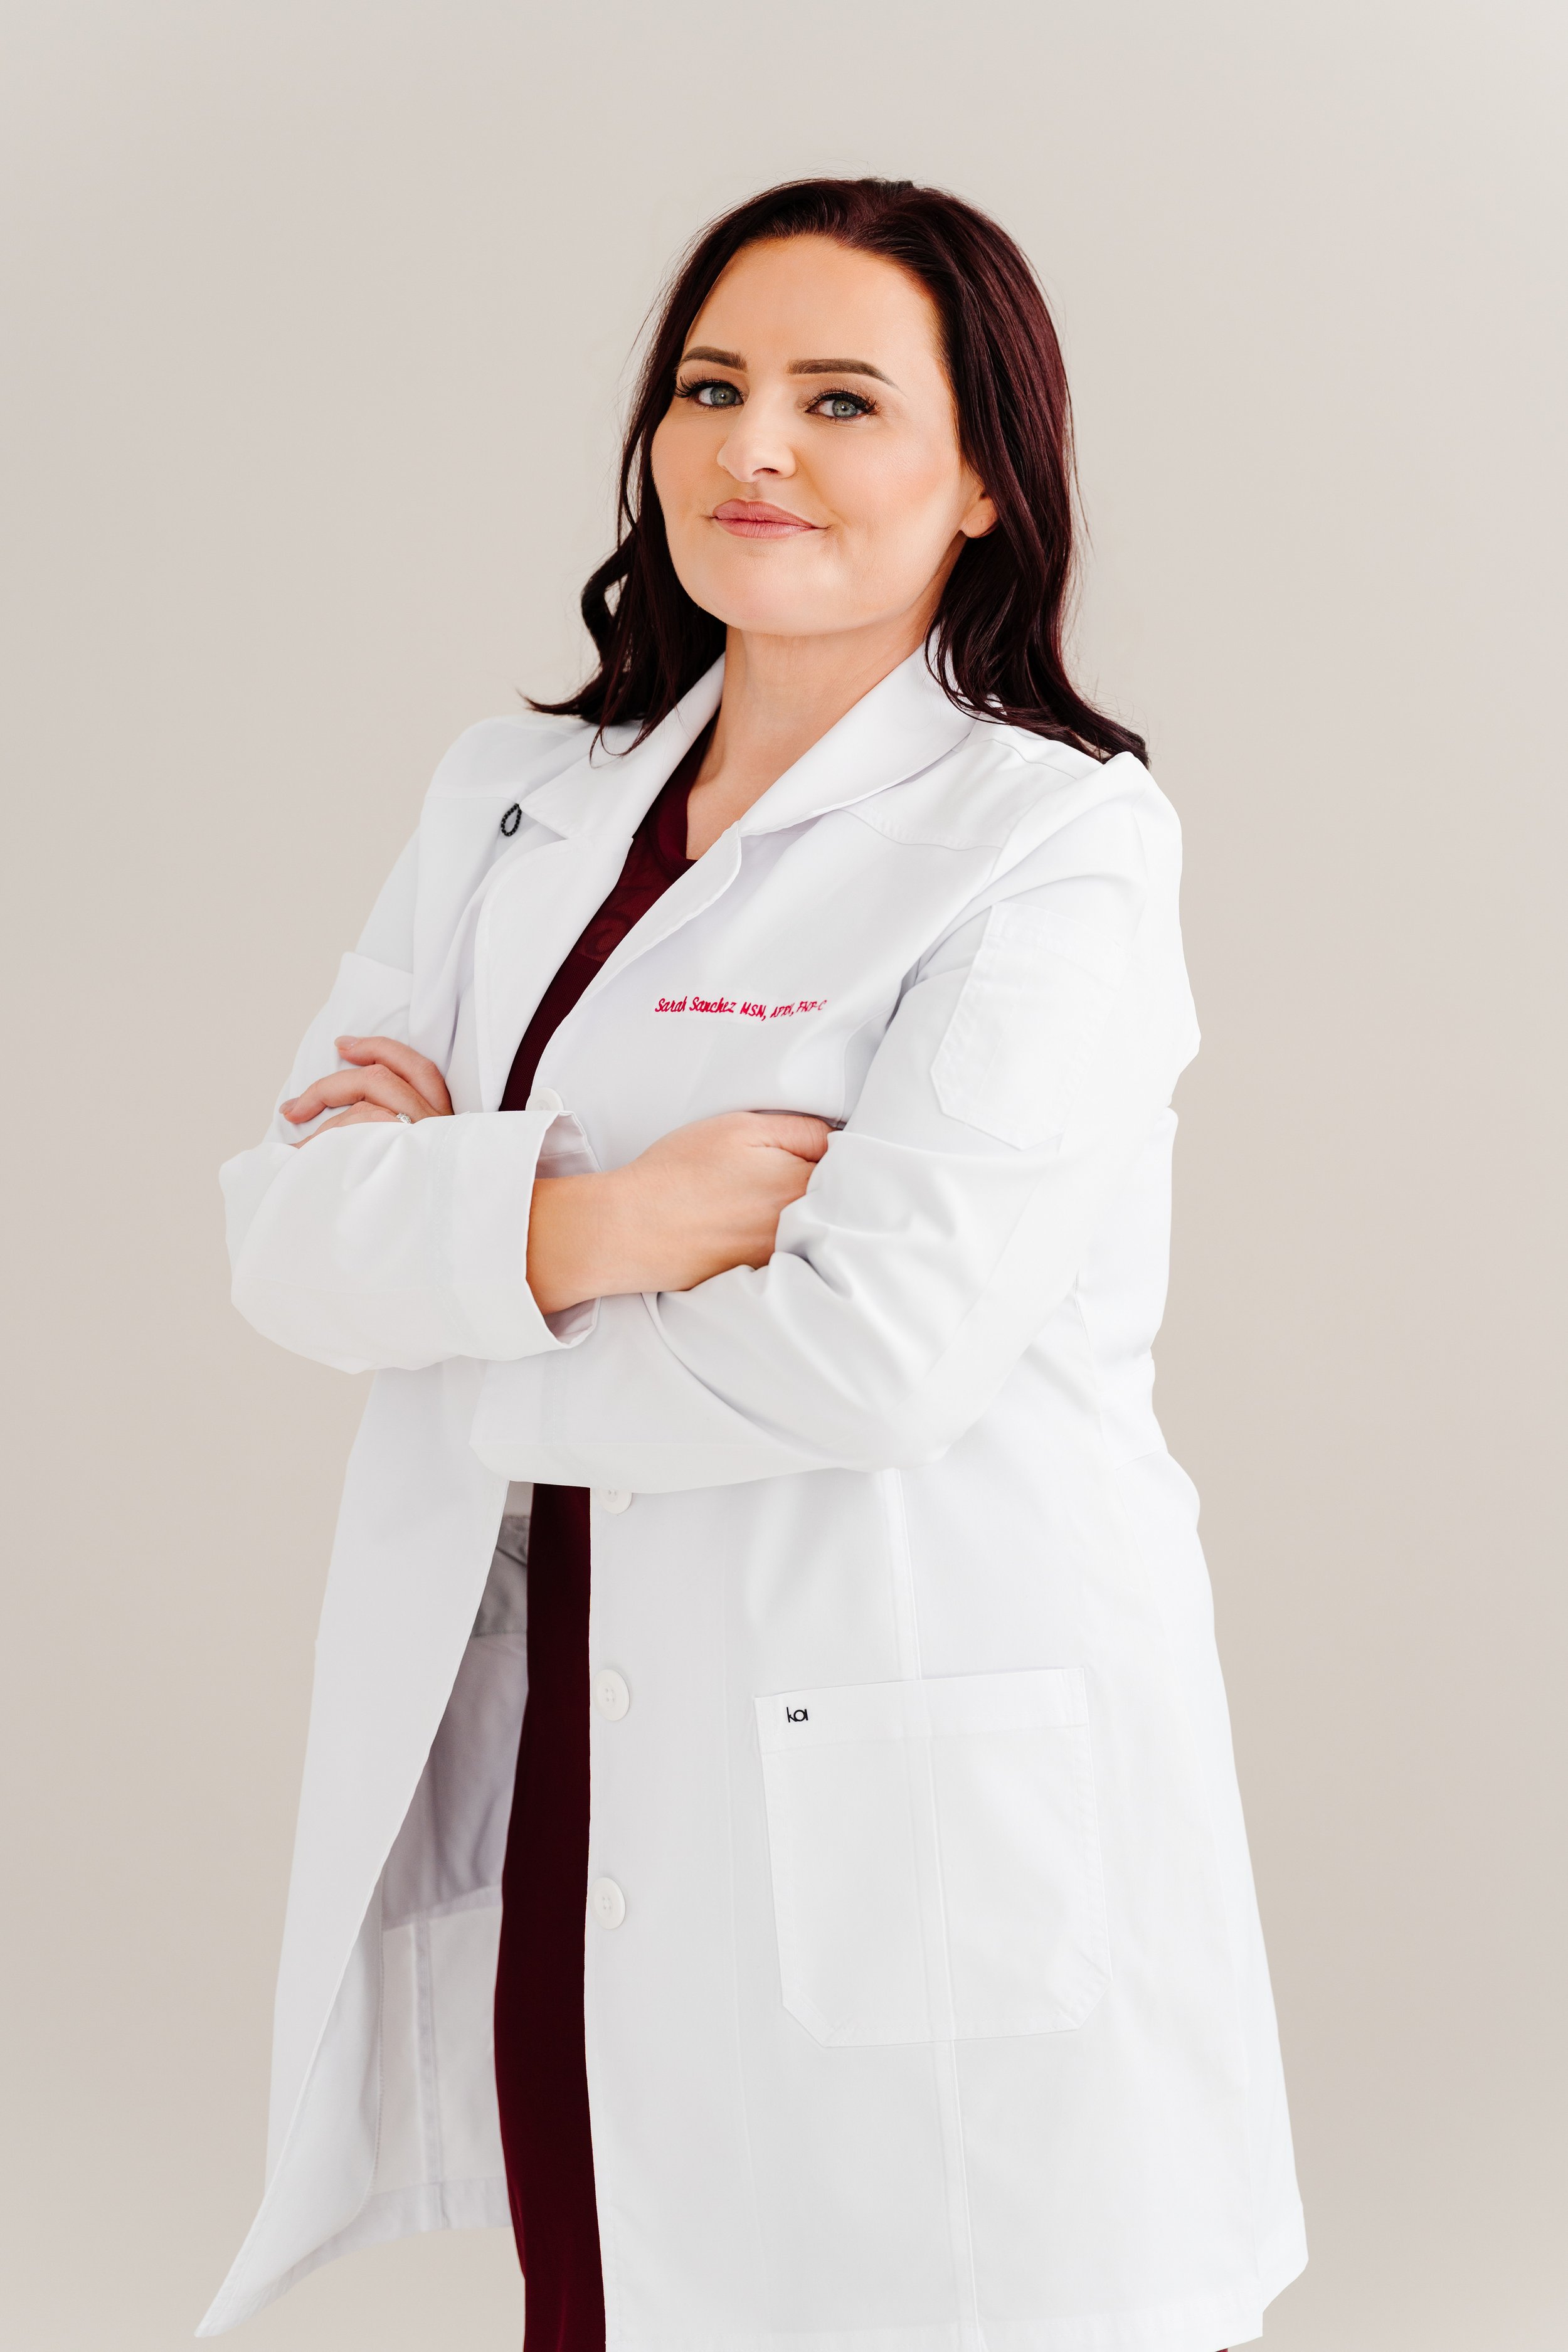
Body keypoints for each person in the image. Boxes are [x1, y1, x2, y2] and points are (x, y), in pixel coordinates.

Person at [201, 177, 1305, 2352]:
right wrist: (604, 1228)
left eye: (837, 397)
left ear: (984, 476)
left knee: (937, 2293)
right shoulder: (514, 794)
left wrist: (453, 1277)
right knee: (608, 2284)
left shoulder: (1052, 839)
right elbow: (278, 1229)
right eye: (709, 388)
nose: (751, 450)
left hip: (895, 1757)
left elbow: (867, 1355)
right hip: (575, 1750)